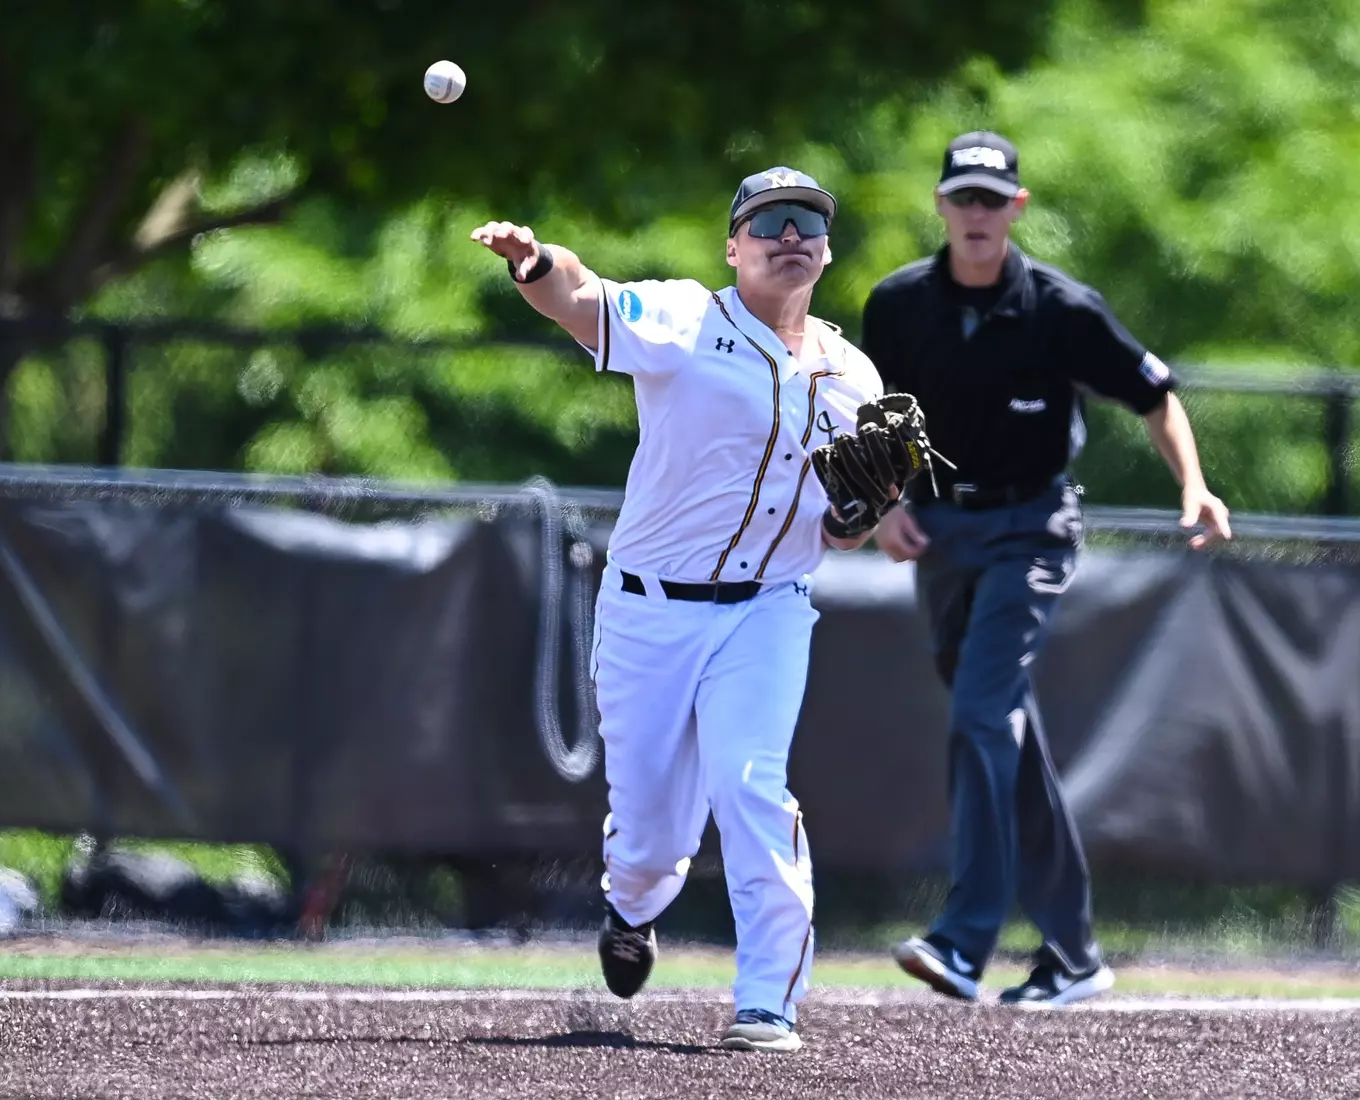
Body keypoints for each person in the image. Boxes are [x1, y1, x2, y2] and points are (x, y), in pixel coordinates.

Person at [471, 167, 886, 1053]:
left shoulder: (852, 374)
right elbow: (581, 296)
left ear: (825, 249)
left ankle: (766, 1000)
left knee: (750, 786)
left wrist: (854, 519)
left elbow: (844, 528)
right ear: (732, 245)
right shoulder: (686, 320)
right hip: (649, 612)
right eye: (768, 221)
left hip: (767, 611)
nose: (788, 236)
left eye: (807, 224)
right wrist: (533, 261)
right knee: (655, 836)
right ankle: (632, 905)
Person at [861, 131, 1233, 1006]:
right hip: (942, 528)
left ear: (1016, 208)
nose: (978, 214)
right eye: (964, 198)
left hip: (1032, 526)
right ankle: (1073, 956)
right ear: (942, 206)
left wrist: (1195, 486)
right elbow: (870, 413)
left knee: (981, 715)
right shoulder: (898, 303)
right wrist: (884, 504)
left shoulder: (1061, 307)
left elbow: (1153, 394)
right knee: (1002, 736)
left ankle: (962, 939)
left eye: (994, 199)